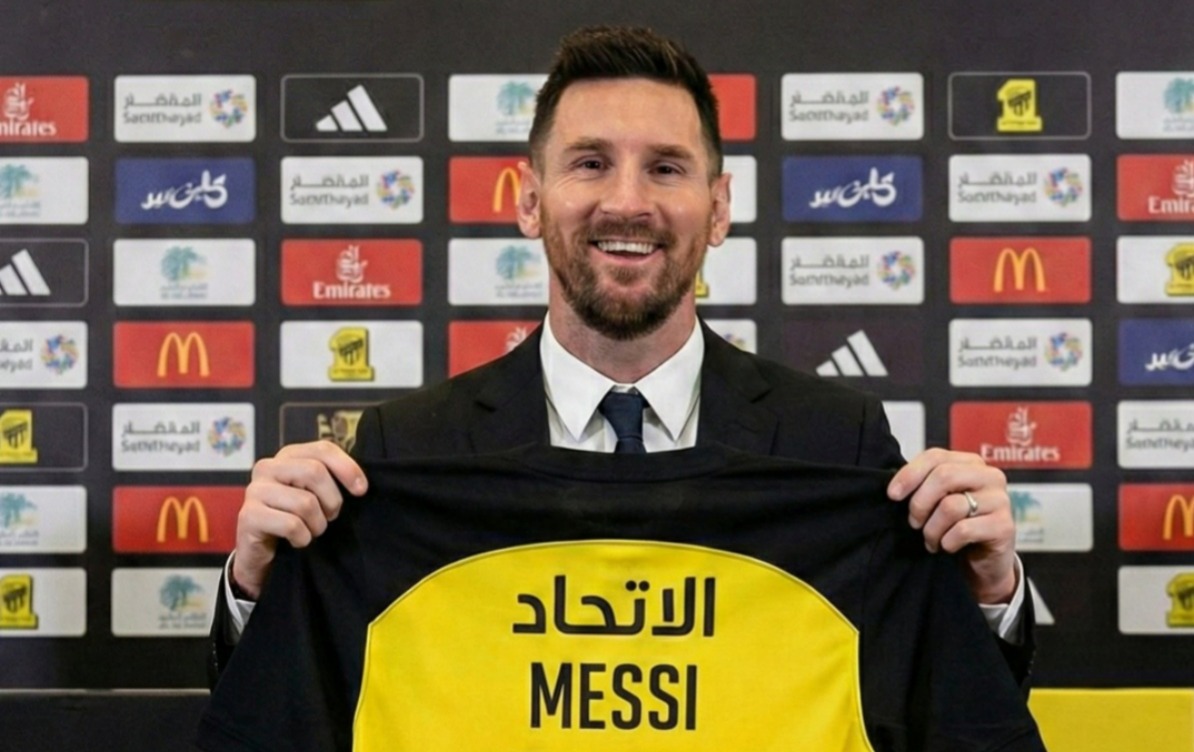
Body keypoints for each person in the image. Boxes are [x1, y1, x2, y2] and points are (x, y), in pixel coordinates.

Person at [209, 24, 1029, 686]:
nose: (628, 202)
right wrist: (255, 589)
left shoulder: (837, 444)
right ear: (530, 200)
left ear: (718, 209)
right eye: (591, 163)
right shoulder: (407, 452)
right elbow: (303, 709)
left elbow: (940, 712)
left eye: (666, 168)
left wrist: (990, 595)